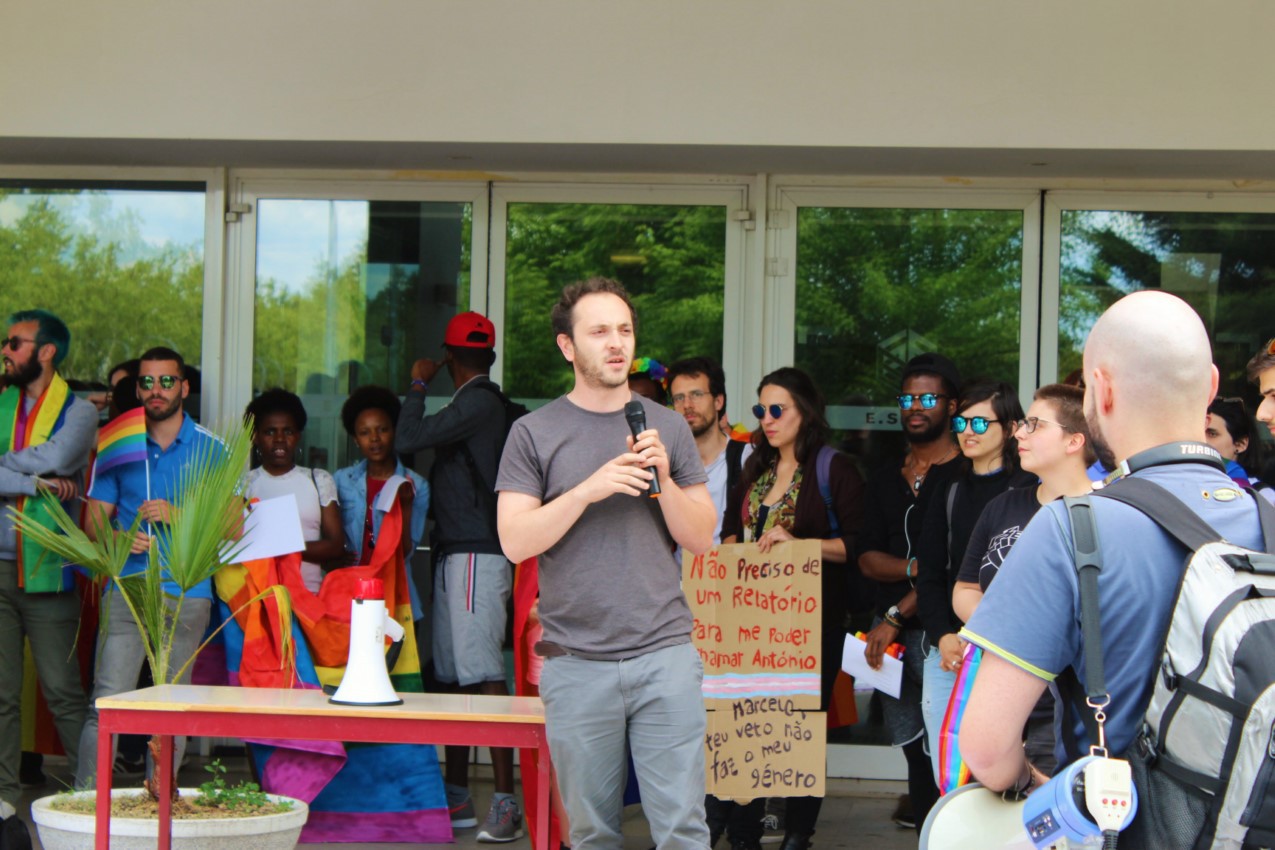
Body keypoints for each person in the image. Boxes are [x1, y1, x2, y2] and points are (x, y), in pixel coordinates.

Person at [958, 292, 1266, 805]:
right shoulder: (1270, 517)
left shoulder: (1069, 529)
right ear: (1211, 386)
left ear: (1099, 390)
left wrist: (1034, 790)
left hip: (1121, 827)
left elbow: (986, 748)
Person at [496, 277, 717, 850]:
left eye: (624, 330)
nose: (616, 343)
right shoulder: (533, 432)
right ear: (568, 347)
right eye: (599, 332)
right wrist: (585, 491)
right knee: (592, 833)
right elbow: (515, 541)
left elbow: (700, 538)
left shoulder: (666, 426)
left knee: (683, 830)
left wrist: (663, 479)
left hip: (664, 653)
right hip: (576, 661)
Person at [720, 367, 864, 850]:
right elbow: (728, 531)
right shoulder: (754, 468)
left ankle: (797, 833)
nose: (767, 419)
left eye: (777, 409)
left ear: (805, 411)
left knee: (799, 728)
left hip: (809, 623)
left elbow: (858, 547)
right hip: (748, 621)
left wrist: (801, 543)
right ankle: (743, 836)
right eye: (760, 410)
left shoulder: (832, 468)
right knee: (744, 724)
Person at [394, 311, 521, 841]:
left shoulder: (477, 403)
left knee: (484, 675)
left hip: (477, 556)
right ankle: (460, 798)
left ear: (449, 358)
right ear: (490, 356)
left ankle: (506, 801)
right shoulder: (480, 404)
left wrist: (418, 382)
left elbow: (407, 438)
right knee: (454, 677)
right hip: (460, 554)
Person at [77, 346, 224, 789]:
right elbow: (92, 522)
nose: (155, 390)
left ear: (184, 387)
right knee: (107, 701)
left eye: (165, 381)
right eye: (146, 382)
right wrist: (119, 539)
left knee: (171, 704)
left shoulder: (212, 448)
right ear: (137, 387)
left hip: (187, 591)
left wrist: (180, 515)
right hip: (127, 585)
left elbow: (234, 523)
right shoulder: (117, 442)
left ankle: (160, 806)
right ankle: (85, 806)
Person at [950, 383, 1096, 776]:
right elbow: (964, 588)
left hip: (1070, 703)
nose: (1018, 433)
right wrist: (1003, 629)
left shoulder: (1107, 514)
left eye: (1034, 424)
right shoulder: (1005, 504)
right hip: (997, 685)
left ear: (1074, 441)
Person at [855, 352, 962, 832]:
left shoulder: (965, 475)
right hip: (888, 641)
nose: (915, 407)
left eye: (927, 397)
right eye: (907, 397)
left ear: (952, 405)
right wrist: (917, 568)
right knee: (912, 750)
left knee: (950, 748)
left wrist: (899, 608)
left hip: (943, 635)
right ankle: (926, 831)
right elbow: (867, 557)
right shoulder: (884, 477)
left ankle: (952, 833)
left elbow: (955, 566)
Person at [0, 310, 96, 821]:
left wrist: (18, 468)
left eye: (14, 342)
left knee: (63, 692)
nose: (5, 350)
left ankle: (90, 796)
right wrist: (35, 481)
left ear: (46, 351)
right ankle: (3, 798)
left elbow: (58, 455)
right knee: (1, 694)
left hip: (48, 566)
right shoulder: (0, 400)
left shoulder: (79, 413)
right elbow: (45, 467)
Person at [914, 380, 1033, 781]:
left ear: (1011, 428)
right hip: (950, 648)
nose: (967, 431)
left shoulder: (1030, 490)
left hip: (1012, 650)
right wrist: (942, 633)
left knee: (1003, 769)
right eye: (962, 422)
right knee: (949, 770)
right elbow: (929, 570)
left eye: (981, 424)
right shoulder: (945, 482)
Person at [667, 356, 757, 850]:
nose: (686, 406)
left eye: (696, 395)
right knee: (685, 723)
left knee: (739, 721)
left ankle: (738, 831)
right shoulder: (662, 464)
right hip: (675, 613)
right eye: (678, 397)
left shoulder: (748, 459)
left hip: (739, 612)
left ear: (718, 401)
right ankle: (702, 823)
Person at [334, 385, 428, 619]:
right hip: (350, 593)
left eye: (382, 429)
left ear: (395, 431)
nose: (374, 439)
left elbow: (405, 553)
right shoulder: (341, 480)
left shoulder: (416, 485)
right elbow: (329, 536)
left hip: (395, 595)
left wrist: (404, 507)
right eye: (365, 433)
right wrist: (335, 554)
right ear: (355, 439)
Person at [242, 388, 345, 594]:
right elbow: (237, 544)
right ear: (255, 437)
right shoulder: (246, 484)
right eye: (270, 431)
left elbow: (335, 545)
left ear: (298, 436)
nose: (279, 439)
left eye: (287, 431)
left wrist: (282, 547)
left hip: (310, 597)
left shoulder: (318, 480)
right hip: (258, 599)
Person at [1204, 395, 1263, 487]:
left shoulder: (1262, 497)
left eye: (1212, 434)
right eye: (1198, 433)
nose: (1201, 441)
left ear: (1240, 444)